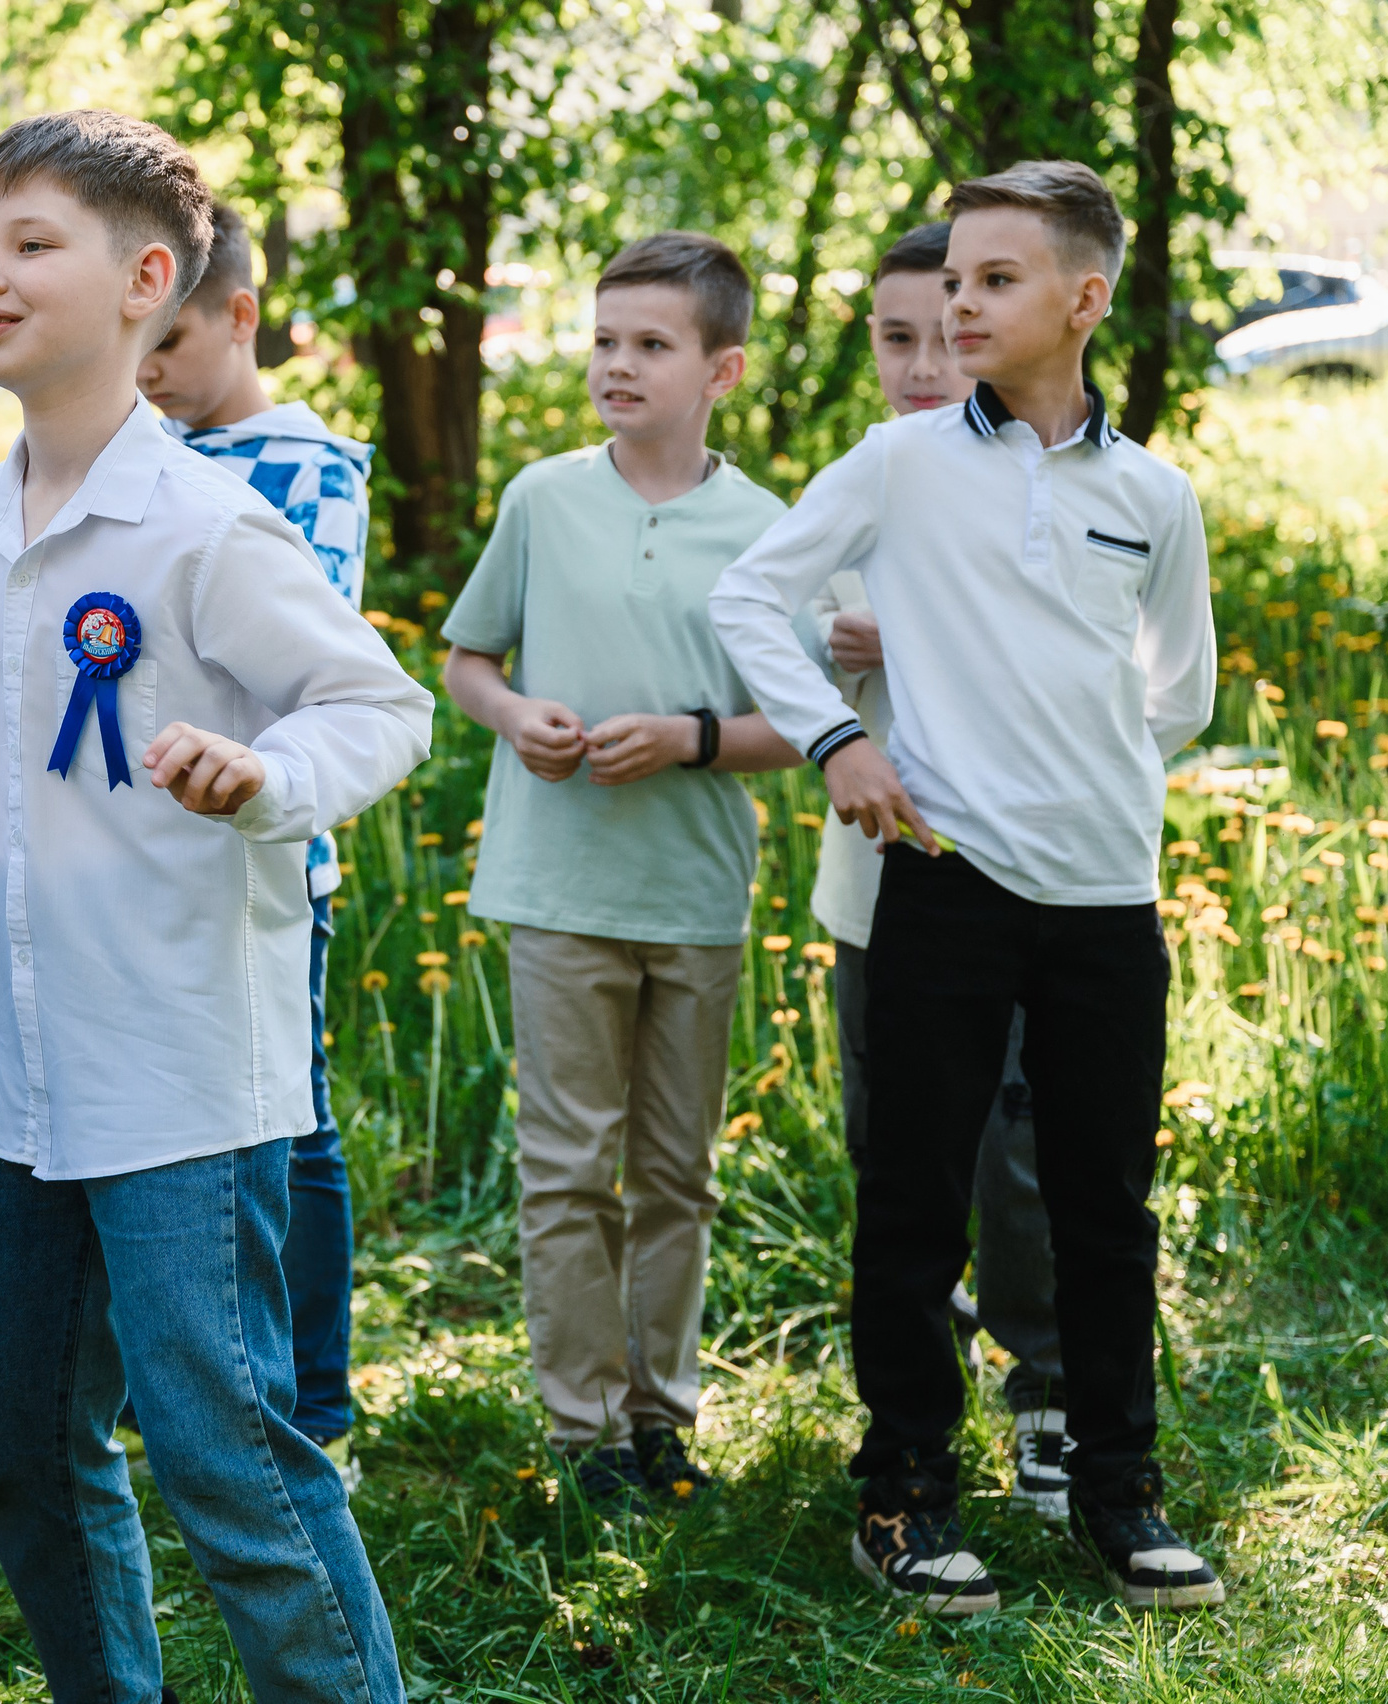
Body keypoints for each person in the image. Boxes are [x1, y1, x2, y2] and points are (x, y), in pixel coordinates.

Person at [0, 111, 429, 1704]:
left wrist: (263, 779)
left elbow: (379, 708)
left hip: (189, 1084)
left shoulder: (205, 522)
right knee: (25, 1449)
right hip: (27, 1090)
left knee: (232, 1463)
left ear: (148, 282)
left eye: (29, 244)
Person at [710, 160, 1222, 1614]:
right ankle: (906, 1499)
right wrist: (840, 741)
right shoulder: (905, 461)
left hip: (1106, 897)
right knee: (917, 1202)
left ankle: (1119, 1497)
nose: (962, 306)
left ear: (1084, 298)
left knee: (1103, 1208)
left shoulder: (1154, 494)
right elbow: (749, 594)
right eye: (953, 283)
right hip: (941, 879)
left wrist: (1087, 777)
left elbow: (1173, 696)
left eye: (998, 281)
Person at [438, 232, 798, 1509]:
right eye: (603, 341)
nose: (617, 366)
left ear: (722, 370)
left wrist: (690, 740)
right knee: (565, 1167)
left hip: (694, 895)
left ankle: (663, 1412)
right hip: (557, 890)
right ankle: (584, 1427)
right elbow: (468, 658)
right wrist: (511, 716)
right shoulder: (542, 498)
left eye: (652, 345)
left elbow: (801, 723)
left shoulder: (769, 531)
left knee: (677, 1173)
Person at [805, 220, 1069, 1526]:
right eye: (897, 338)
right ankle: (920, 1406)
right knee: (895, 1156)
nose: (924, 362)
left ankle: (1053, 1405)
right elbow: (771, 642)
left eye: (948, 333)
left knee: (1017, 1163)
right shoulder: (855, 488)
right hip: (875, 902)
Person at [136, 201, 374, 1484]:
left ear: (239, 314)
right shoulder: (142, 452)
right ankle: (187, 1382)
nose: (147, 368)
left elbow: (305, 659)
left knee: (296, 1127)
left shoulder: (306, 467)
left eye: (169, 339)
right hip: (148, 862)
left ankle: (314, 1404)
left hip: (275, 858)